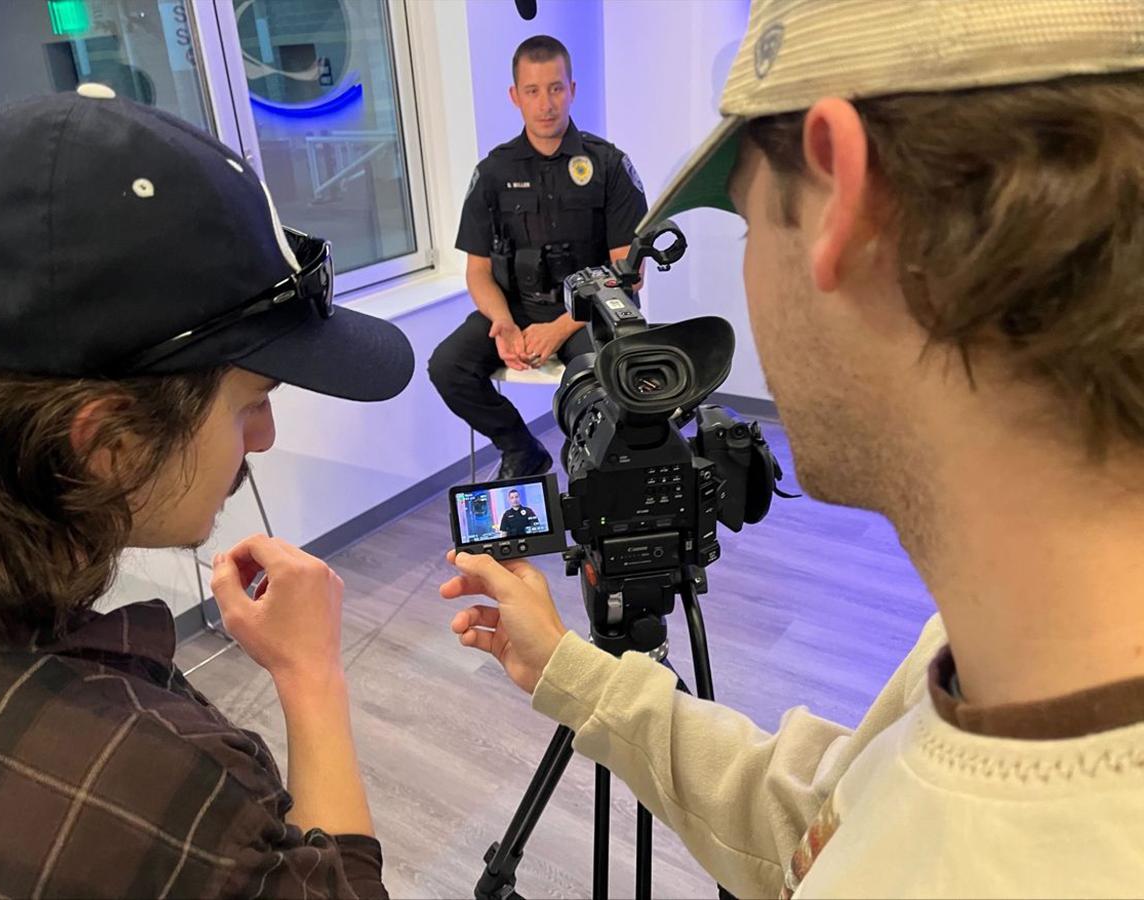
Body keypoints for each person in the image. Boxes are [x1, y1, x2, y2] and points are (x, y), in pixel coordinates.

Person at [441, 1, 1144, 896]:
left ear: (839, 208)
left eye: (745, 220)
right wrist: (574, 673)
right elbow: (829, 816)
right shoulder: (1000, 645)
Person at [0, 87, 414, 898]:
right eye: (251, 400)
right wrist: (311, 676)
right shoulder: (159, 788)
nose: (263, 437)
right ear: (110, 446)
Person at [428, 35, 648, 480]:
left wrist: (559, 327)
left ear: (572, 89)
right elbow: (479, 271)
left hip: (591, 313)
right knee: (447, 367)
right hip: (517, 307)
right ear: (515, 96)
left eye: (555, 88)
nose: (545, 103)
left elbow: (630, 274)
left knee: (605, 379)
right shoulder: (493, 172)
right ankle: (521, 448)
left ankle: (590, 472)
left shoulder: (607, 165)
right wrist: (503, 322)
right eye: (532, 90)